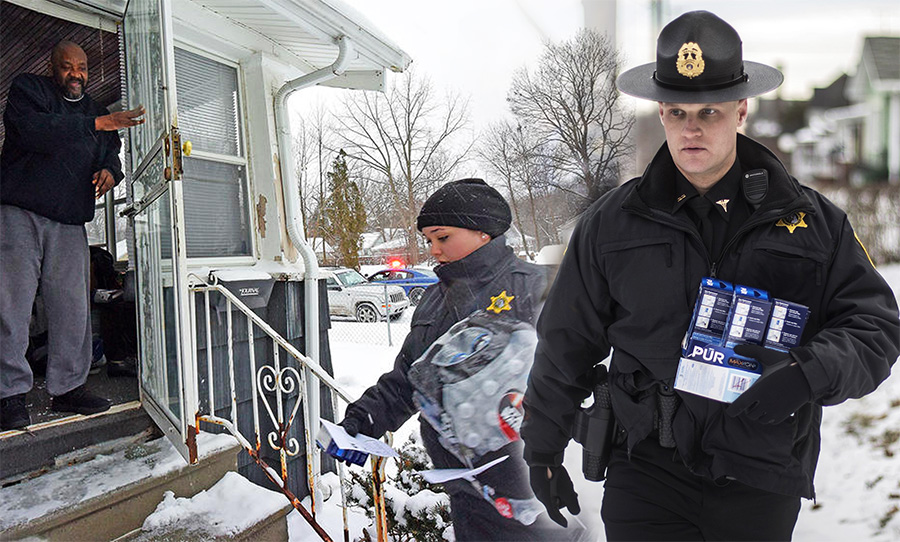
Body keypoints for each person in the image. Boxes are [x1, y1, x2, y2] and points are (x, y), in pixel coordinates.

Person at [521, 10, 900, 541]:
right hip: (645, 469)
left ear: (741, 110)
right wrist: (542, 449)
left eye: (710, 112)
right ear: (661, 112)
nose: (691, 128)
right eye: (676, 112)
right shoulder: (611, 224)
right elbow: (566, 341)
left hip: (760, 474)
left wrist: (807, 372)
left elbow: (876, 327)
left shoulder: (814, 223)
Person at [338, 178, 580, 541]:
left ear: (483, 232)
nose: (433, 250)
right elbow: (410, 376)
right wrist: (365, 418)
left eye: (443, 237)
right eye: (429, 240)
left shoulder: (537, 287)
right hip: (469, 497)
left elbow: (584, 374)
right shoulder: (435, 301)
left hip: (541, 498)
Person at [0, 40, 145, 431]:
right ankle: (8, 394)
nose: (76, 74)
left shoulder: (97, 111)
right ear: (54, 68)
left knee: (73, 308)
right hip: (19, 212)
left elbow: (109, 154)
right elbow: (32, 132)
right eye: (67, 67)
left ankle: (67, 390)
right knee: (10, 304)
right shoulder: (30, 90)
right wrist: (95, 124)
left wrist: (110, 172)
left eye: (81, 67)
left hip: (70, 221)